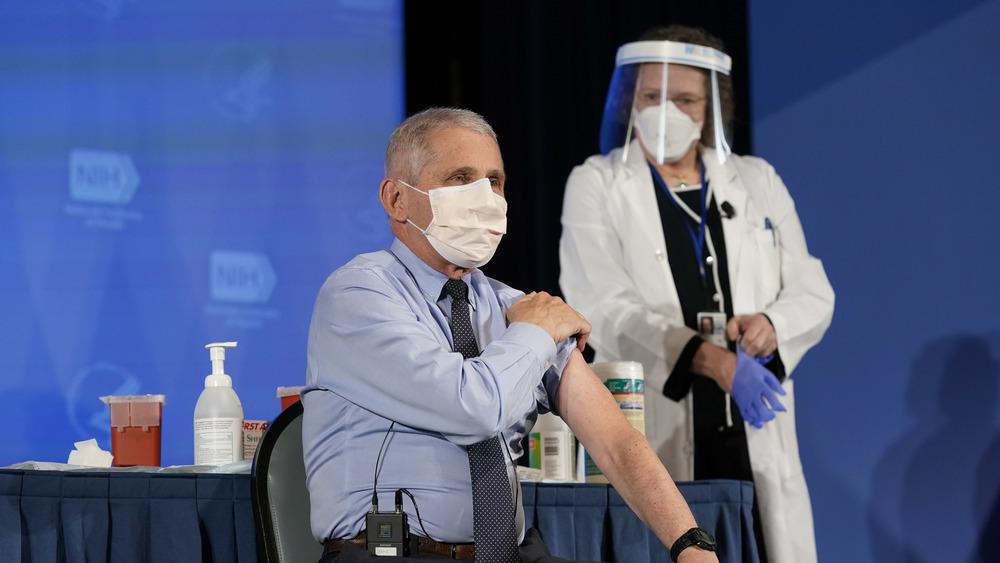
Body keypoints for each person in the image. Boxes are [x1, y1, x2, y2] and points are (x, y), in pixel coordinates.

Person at [301, 107, 720, 563]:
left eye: (494, 181)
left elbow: (615, 442)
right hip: (394, 554)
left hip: (511, 553)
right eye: (461, 178)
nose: (485, 198)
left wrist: (690, 544)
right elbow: (472, 408)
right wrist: (536, 331)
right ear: (396, 199)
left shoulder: (514, 306)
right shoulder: (359, 292)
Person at [558, 26, 835, 563]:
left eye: (684, 98)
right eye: (650, 96)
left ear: (710, 108)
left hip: (753, 429)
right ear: (628, 102)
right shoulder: (596, 184)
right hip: (659, 423)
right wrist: (709, 360)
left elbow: (811, 286)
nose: (665, 110)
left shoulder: (755, 181)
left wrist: (773, 325)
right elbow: (602, 303)